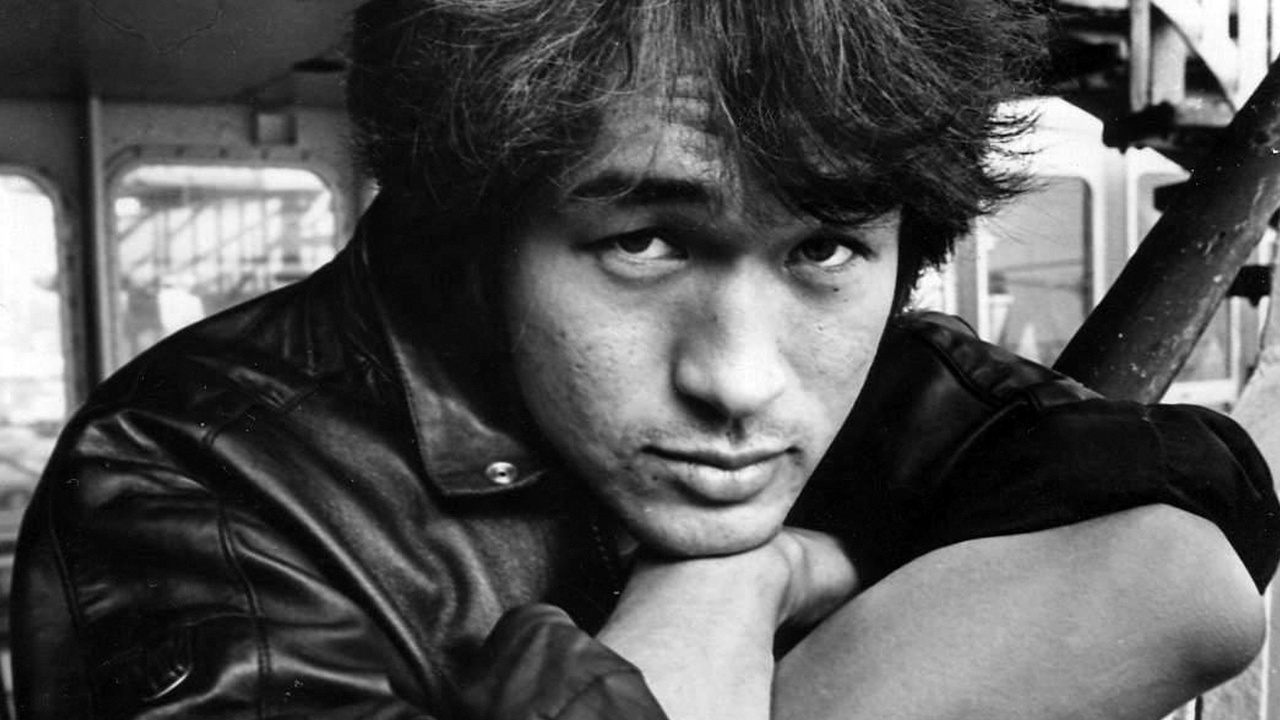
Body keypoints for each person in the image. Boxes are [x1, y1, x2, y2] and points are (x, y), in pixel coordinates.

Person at [12, 1, 1280, 718]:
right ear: (479, 225)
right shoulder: (185, 473)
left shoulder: (892, 375)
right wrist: (696, 618)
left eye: (823, 247)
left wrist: (739, 582)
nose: (740, 381)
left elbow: (1188, 562)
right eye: (643, 242)